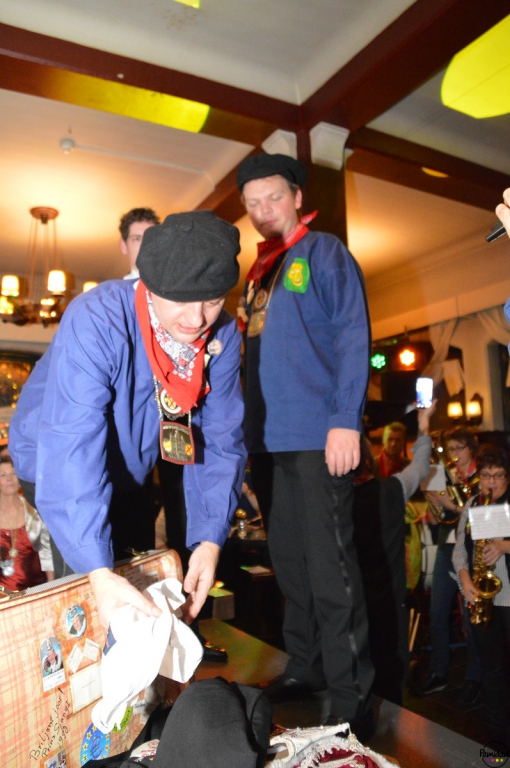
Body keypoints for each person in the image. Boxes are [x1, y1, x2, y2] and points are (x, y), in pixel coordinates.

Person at [9, 210, 246, 628]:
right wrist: (97, 572)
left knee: (136, 574)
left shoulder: (222, 334)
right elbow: (72, 442)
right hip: (52, 458)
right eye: (181, 300)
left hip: (133, 464)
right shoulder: (96, 316)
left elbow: (222, 438)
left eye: (212, 301)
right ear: (149, 287)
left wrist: (210, 541)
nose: (196, 320)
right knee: (90, 589)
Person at [237, 152, 374, 740]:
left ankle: (351, 693)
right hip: (269, 444)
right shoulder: (258, 273)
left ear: (296, 197)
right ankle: (306, 665)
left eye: (273, 197)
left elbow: (352, 333)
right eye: (252, 203)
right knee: (290, 566)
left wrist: (345, 419)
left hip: (320, 436)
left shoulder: (323, 252)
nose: (263, 209)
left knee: (329, 567)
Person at [353, 404, 435, 705]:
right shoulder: (391, 489)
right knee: (390, 659)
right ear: (368, 461)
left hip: (350, 598)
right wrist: (423, 427)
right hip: (388, 594)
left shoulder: (332, 502)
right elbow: (421, 466)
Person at [416, 428, 482, 704]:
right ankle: (439, 672)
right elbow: (439, 519)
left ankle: (475, 678)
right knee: (438, 611)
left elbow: (481, 516)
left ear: (471, 449)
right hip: (447, 547)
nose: (454, 454)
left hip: (472, 551)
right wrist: (434, 505)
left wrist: (452, 506)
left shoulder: (482, 476)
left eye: (459, 448)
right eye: (450, 449)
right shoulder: (446, 475)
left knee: (470, 617)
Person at [453, 444, 510, 744]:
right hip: (483, 597)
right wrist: (464, 578)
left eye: (498, 475)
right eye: (486, 475)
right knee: (491, 667)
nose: (491, 482)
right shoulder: (473, 505)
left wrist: (504, 545)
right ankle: (498, 731)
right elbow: (459, 550)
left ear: (507, 477)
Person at [0, 456, 54, 590]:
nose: (9, 479)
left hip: (37, 589)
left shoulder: (34, 511)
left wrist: (51, 586)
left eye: (13, 473)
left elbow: (46, 553)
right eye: (3, 475)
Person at [119, 207, 160, 280]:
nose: (144, 245)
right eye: (136, 239)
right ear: (124, 246)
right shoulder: (114, 287)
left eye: (150, 238)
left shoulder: (176, 284)